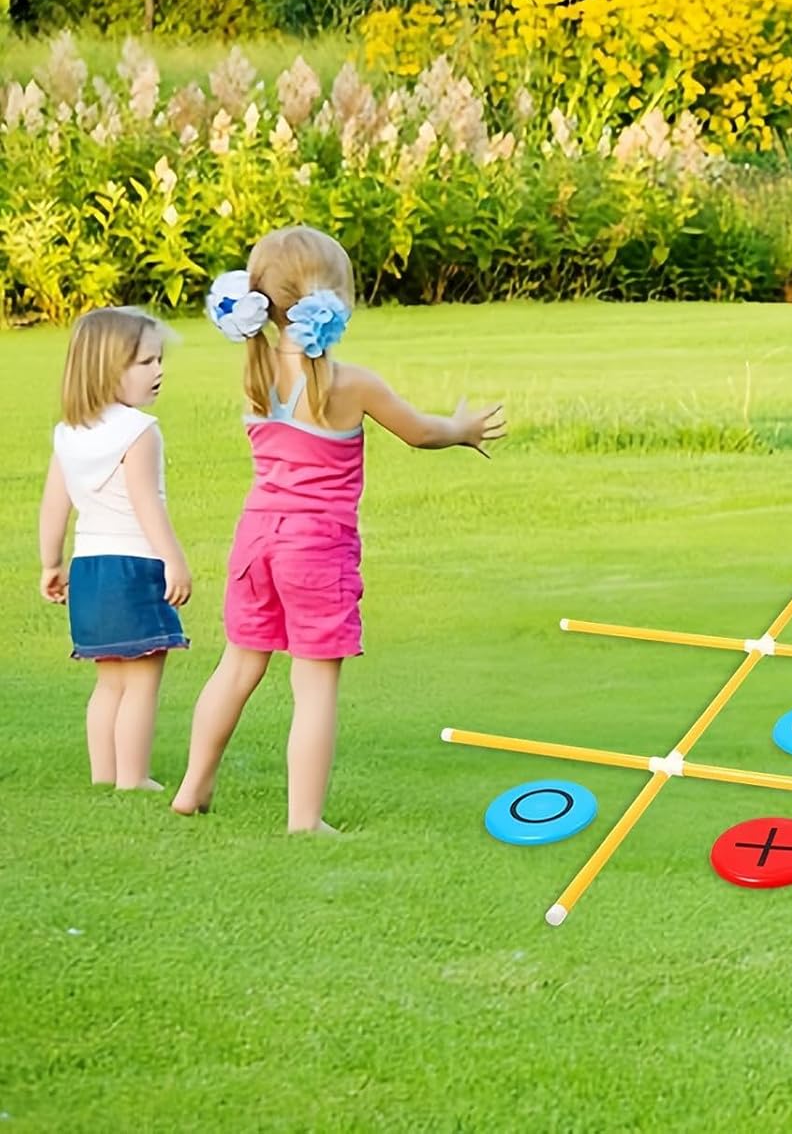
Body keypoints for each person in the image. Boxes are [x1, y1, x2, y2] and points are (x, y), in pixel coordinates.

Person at [171, 226, 505, 831]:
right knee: (315, 685)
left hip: (255, 539)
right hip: (316, 549)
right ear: (335, 302)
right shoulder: (352, 384)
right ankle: (304, 820)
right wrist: (463, 429)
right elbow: (420, 432)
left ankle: (193, 788)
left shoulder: (255, 374)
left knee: (238, 666)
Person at [40, 307, 192, 789]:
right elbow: (147, 505)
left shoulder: (69, 433)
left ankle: (104, 776)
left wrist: (50, 563)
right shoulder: (138, 431)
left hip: (89, 569)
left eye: (159, 359)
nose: (158, 370)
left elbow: (54, 504)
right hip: (134, 567)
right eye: (145, 362)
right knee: (142, 682)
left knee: (108, 682)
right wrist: (174, 560)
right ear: (107, 369)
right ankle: (133, 778)